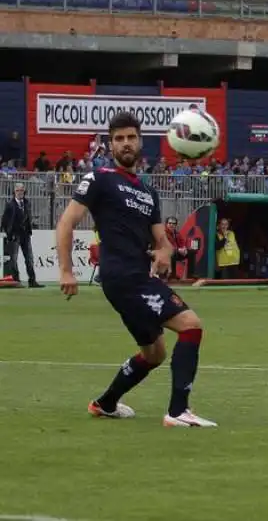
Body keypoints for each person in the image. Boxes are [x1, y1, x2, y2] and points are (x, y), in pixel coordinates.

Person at [55, 111, 216, 428]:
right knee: (191, 326)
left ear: (140, 141)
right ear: (110, 145)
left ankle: (105, 403)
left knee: (154, 353)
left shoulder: (148, 192)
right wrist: (66, 270)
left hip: (137, 277)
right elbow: (66, 222)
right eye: (118, 139)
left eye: (130, 137)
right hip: (124, 276)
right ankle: (177, 412)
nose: (125, 144)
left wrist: (164, 253)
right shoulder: (99, 178)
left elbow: (162, 241)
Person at [1, 183, 42, 288]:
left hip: (25, 235)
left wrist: (30, 227)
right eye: (18, 190)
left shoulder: (27, 203)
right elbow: (4, 220)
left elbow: (28, 217)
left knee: (29, 258)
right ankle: (16, 281)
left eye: (22, 190)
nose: (20, 192)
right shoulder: (10, 204)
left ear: (24, 192)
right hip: (14, 235)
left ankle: (32, 281)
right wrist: (9, 233)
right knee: (13, 259)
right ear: (14, 192)